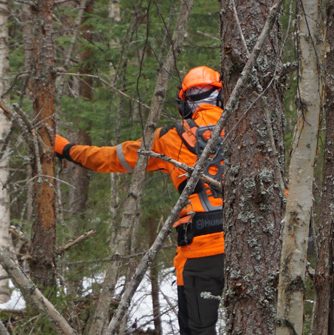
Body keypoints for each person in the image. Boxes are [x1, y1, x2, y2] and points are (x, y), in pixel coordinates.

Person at [55, 66, 226, 335]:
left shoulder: (170, 138)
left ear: (184, 102)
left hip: (200, 251)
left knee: (198, 330)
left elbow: (112, 157)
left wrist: (67, 150)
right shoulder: (249, 132)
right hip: (253, 245)